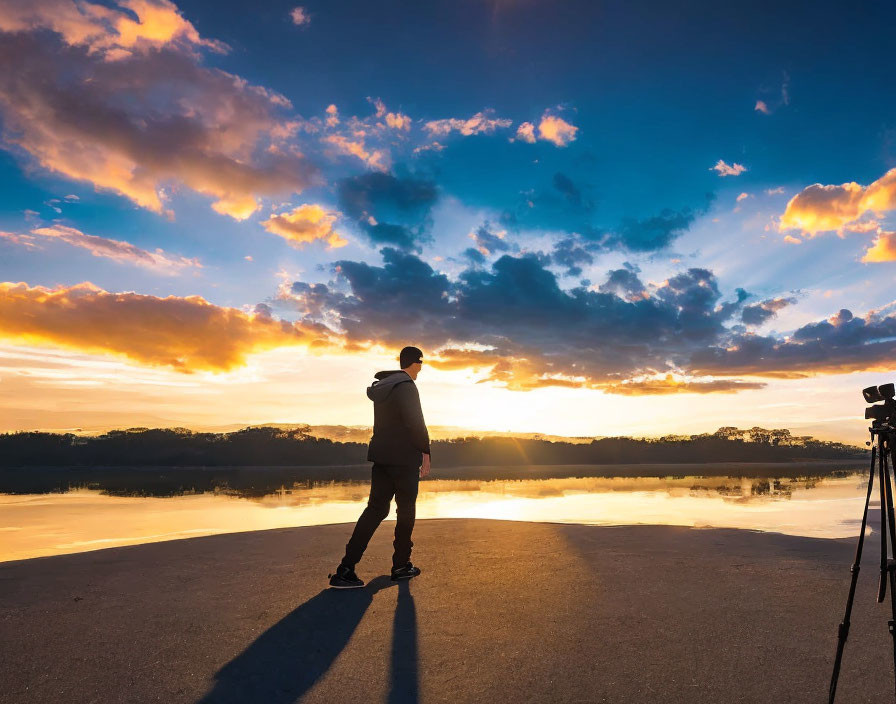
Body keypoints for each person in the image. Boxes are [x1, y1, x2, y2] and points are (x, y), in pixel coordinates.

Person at [328, 346, 431, 588]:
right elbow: (416, 422)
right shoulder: (406, 386)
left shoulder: (384, 388)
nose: (420, 370)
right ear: (416, 363)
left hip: (382, 458)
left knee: (375, 509)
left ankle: (345, 568)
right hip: (404, 458)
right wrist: (426, 451)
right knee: (405, 510)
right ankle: (401, 565)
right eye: (421, 365)